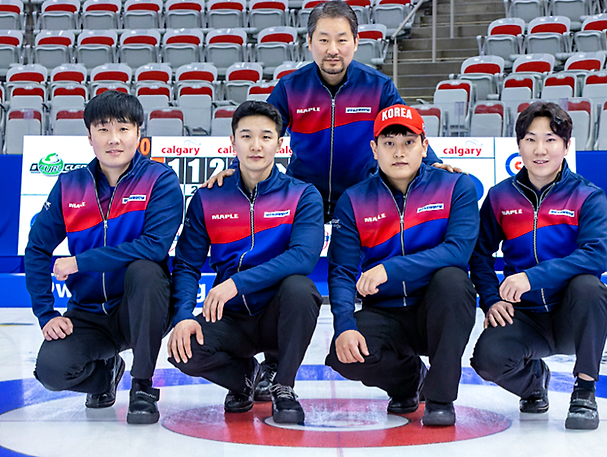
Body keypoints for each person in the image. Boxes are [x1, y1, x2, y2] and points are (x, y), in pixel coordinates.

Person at [205, 0, 455, 401]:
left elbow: (402, 133)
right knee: (278, 268)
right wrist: (231, 169)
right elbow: (259, 133)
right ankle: (272, 360)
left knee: (365, 271)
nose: (332, 48)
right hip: (304, 195)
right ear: (310, 43)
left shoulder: (378, 87)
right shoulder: (291, 87)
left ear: (356, 43)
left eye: (341, 39)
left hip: (363, 196)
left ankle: (392, 338)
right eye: (324, 39)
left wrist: (437, 163)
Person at [25, 90, 184, 425]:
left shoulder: (160, 179)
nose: (114, 139)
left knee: (145, 270)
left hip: (140, 309)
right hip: (88, 314)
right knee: (51, 371)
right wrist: (45, 314)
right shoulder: (70, 186)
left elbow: (154, 246)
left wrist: (80, 261)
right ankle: (107, 372)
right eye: (103, 129)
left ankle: (142, 386)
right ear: (89, 137)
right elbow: (37, 248)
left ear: (139, 134)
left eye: (123, 129)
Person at [167, 101, 324, 424]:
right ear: (232, 142)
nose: (256, 146)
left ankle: (283, 385)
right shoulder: (209, 197)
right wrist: (183, 315)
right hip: (231, 317)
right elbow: (186, 264)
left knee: (301, 288)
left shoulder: (302, 195)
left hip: (276, 313)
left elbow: (303, 257)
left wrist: (236, 283)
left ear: (280, 144)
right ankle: (245, 378)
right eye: (246, 136)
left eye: (266, 137)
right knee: (182, 349)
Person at [324, 104, 479, 426]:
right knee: (344, 357)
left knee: (453, 280)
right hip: (385, 311)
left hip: (437, 309)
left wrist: (390, 268)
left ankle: (440, 398)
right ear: (374, 149)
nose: (399, 152)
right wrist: (345, 325)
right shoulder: (354, 200)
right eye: (389, 143)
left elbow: (457, 251)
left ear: (425, 146)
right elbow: (340, 271)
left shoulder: (455, 186)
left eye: (408, 142)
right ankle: (410, 381)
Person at [469, 101, 607, 430]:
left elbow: (595, 255)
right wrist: (491, 299)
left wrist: (531, 278)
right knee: (486, 359)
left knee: (590, 287)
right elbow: (479, 254)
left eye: (550, 139)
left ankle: (585, 392)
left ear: (566, 145)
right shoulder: (499, 197)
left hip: (570, 314)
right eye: (531, 139)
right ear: (519, 145)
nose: (540, 149)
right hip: (526, 317)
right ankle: (534, 384)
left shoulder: (588, 196)